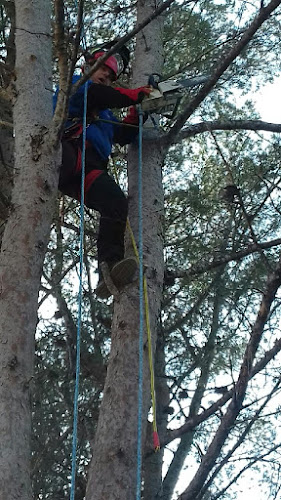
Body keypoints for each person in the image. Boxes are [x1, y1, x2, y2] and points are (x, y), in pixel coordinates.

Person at [54, 46, 151, 299]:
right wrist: (135, 95)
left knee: (116, 203)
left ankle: (109, 269)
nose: (103, 78)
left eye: (109, 77)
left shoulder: (105, 114)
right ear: (87, 69)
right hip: (67, 153)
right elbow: (96, 94)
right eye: (100, 72)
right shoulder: (76, 85)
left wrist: (138, 112)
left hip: (88, 169)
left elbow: (124, 135)